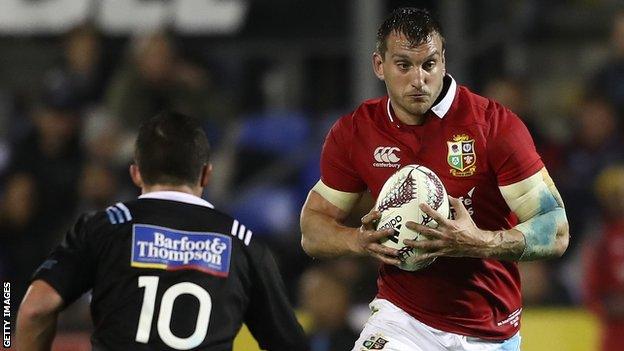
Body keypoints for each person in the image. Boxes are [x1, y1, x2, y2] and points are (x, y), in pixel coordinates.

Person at [299, 7, 569, 351]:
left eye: (429, 64)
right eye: (404, 65)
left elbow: (557, 229)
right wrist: (358, 241)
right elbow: (312, 228)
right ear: (379, 66)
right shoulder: (356, 131)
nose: (418, 79)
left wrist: (479, 242)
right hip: (402, 320)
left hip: (486, 329)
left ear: (443, 62)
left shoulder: (494, 126)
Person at [17, 112, 309, 350]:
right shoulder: (241, 242)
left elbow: (35, 309)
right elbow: (290, 344)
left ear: (136, 173)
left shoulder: (103, 227)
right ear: (207, 173)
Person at [583, 166, 624, 351]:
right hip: (615, 332)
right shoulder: (600, 238)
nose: (618, 201)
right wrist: (606, 306)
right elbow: (590, 289)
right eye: (613, 195)